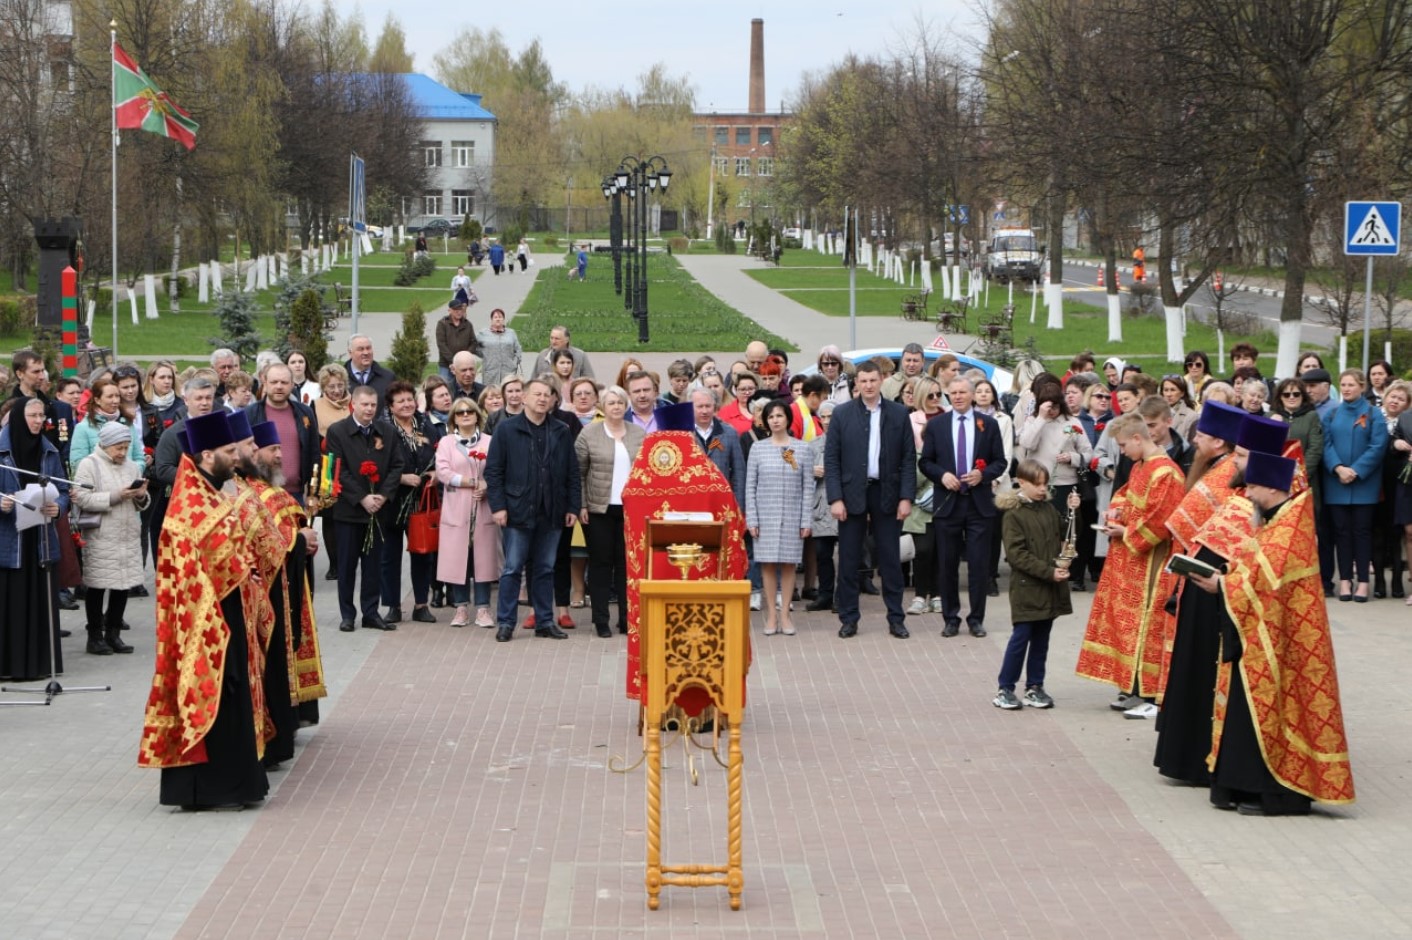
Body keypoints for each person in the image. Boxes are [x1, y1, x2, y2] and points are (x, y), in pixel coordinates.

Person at [1191, 451, 1354, 816]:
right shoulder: (1278, 519)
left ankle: (1275, 794)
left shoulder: (1288, 527)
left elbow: (1266, 584)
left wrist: (1222, 585)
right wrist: (1229, 575)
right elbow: (1253, 569)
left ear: (1271, 487)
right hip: (1260, 634)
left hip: (1280, 641)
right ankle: (1241, 786)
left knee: (1276, 712)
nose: (1245, 494)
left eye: (1250, 486)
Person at [139, 411, 269, 810]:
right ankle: (210, 789)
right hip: (205, 622)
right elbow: (201, 567)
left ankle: (232, 784)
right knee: (219, 695)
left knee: (232, 699)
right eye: (230, 451)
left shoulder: (212, 491)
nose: (236, 458)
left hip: (226, 613)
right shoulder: (191, 502)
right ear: (207, 454)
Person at [1155, 409, 1282, 787]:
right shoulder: (1243, 487)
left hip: (1229, 599)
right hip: (1210, 592)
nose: (1233, 464)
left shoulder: (1273, 495)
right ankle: (1191, 755)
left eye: (1241, 456)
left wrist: (1223, 583)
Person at [1075, 412, 1186, 718]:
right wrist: (1116, 516)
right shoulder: (1141, 466)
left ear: (1138, 438)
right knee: (1130, 626)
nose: (1121, 451)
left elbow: (1161, 522)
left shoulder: (1166, 473)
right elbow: (1123, 497)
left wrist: (1127, 532)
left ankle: (1151, 692)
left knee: (1148, 627)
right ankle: (1133, 686)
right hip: (1130, 560)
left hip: (1152, 564)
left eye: (1124, 445)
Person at [245, 421, 326, 765]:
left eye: (281, 449)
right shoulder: (250, 491)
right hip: (268, 587)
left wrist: (303, 536)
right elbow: (265, 542)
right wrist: (298, 541)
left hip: (291, 583)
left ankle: (293, 714)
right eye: (272, 450)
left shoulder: (272, 489)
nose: (279, 455)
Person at [485, 377, 582, 642]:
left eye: (547, 395)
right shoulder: (506, 430)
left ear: (552, 400)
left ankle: (544, 621)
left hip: (552, 512)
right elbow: (493, 472)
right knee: (513, 568)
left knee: (545, 569)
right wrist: (498, 506)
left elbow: (572, 472)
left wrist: (573, 505)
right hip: (517, 510)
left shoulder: (561, 430)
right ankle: (506, 622)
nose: (542, 399)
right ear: (524, 397)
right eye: (537, 394)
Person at [824, 360, 916, 639]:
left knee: (890, 559)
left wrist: (906, 497)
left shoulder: (899, 414)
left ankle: (896, 618)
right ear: (856, 384)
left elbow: (908, 459)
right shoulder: (842, 414)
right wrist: (835, 498)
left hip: (886, 492)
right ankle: (849, 618)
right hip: (851, 494)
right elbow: (832, 459)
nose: (868, 386)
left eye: (873, 380)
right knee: (850, 559)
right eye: (863, 381)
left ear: (881, 381)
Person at [921, 376, 1008, 637]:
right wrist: (941, 475)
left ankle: (976, 618)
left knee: (978, 564)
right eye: (953, 392)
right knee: (947, 563)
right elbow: (925, 462)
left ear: (972, 395)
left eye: (962, 392)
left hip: (978, 503)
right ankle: (951, 617)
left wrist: (984, 475)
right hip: (948, 503)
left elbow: (1000, 462)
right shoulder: (937, 425)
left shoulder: (988, 425)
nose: (957, 396)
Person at [992, 460, 1078, 710]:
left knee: (1042, 639)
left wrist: (1074, 511)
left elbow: (1068, 532)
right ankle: (1005, 687)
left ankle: (1035, 686)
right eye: (1037, 484)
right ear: (1022, 482)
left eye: (1044, 484)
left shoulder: (1047, 508)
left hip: (1049, 585)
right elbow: (1017, 555)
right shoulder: (1014, 513)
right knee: (1021, 637)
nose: (1042, 489)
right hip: (1028, 586)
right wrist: (1049, 572)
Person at [324, 385, 405, 632]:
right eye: (365, 405)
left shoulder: (388, 432)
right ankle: (348, 614)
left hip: (378, 511)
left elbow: (396, 465)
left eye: (373, 405)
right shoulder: (338, 431)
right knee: (347, 565)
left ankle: (371, 612)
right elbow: (338, 469)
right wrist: (361, 497)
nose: (369, 409)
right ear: (354, 405)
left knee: (373, 565)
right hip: (349, 511)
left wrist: (382, 495)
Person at [0, 397, 69, 681]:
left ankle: (38, 663)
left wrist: (58, 507)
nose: (39, 420)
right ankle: (8, 664)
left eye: (42, 415)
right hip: (8, 540)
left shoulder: (49, 450)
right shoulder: (2, 450)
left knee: (38, 599)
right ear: (18, 417)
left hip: (39, 538)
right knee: (10, 603)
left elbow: (64, 490)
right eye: (33, 415)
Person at [72, 420, 149, 655]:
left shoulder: (131, 467)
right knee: (97, 586)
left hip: (127, 533)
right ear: (105, 445)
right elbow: (81, 498)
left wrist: (141, 496)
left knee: (123, 586)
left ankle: (114, 633)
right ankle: (94, 636)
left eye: (126, 447)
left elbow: (141, 505)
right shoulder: (89, 465)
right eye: (118, 447)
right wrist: (116, 496)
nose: (123, 452)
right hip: (101, 535)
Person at [575, 385, 645, 637]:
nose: (616, 406)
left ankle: (627, 619)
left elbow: (647, 474)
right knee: (601, 564)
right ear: (602, 407)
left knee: (627, 565)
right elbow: (579, 473)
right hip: (598, 509)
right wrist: (582, 504)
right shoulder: (588, 434)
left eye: (620, 402)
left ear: (626, 405)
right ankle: (601, 620)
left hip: (631, 510)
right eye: (611, 402)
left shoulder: (639, 434)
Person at [745, 399, 815, 636]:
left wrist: (806, 520)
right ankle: (771, 616)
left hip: (793, 514)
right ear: (766, 421)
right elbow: (750, 486)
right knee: (767, 564)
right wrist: (752, 519)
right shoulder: (758, 448)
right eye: (771, 416)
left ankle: (785, 614)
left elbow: (808, 487)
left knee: (788, 564)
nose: (775, 420)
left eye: (779, 416)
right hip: (766, 514)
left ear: (787, 418)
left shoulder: (802, 448)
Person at [1321, 368, 1388, 602]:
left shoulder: (1374, 413)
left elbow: (1378, 446)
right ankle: (1345, 581)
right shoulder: (1332, 414)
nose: (1347, 388)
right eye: (1344, 384)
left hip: (1364, 484)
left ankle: (1362, 582)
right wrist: (1338, 468)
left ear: (1361, 386)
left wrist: (1356, 470)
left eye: (1351, 384)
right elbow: (1326, 444)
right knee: (1341, 533)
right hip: (1336, 483)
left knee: (1361, 532)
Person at [436, 398, 502, 628]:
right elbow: (443, 472)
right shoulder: (446, 442)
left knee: (482, 558)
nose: (465, 415)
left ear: (477, 415)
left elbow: (497, 469)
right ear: (454, 417)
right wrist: (471, 481)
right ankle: (461, 607)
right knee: (458, 558)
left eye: (470, 411)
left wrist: (486, 486)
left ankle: (483, 608)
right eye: (460, 412)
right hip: (457, 507)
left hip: (483, 507)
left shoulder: (490, 441)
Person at [380, 381, 442, 625]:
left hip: (420, 501)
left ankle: (421, 604)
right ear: (391, 406)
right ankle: (393, 605)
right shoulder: (383, 429)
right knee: (390, 555)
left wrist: (436, 472)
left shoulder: (426, 425)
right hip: (393, 500)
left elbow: (439, 454)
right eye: (400, 401)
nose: (407, 404)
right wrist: (401, 478)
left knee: (422, 552)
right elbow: (377, 466)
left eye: (409, 399)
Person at [245, 364, 320, 501]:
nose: (279, 386)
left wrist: (313, 493)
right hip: (261, 495)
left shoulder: (305, 413)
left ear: (292, 385)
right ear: (265, 384)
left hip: (297, 495)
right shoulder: (250, 414)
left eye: (284, 382)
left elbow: (314, 452)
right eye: (274, 382)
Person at [435, 291, 480, 384]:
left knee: (464, 389)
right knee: (445, 389)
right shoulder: (442, 324)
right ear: (450, 311)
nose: (459, 312)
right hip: (446, 365)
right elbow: (441, 344)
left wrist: (465, 356)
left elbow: (473, 342)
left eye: (460, 309)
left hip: (464, 366)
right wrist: (453, 362)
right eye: (456, 310)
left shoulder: (468, 324)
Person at [476, 308, 522, 388]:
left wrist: (514, 363)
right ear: (491, 320)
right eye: (495, 317)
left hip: (508, 371)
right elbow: (474, 347)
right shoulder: (483, 334)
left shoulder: (511, 333)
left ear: (503, 320)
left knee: (508, 392)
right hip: (490, 371)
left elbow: (518, 349)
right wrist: (484, 355)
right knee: (491, 394)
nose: (498, 319)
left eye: (500, 317)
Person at [344, 334, 395, 399]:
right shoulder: (340, 378)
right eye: (361, 349)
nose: (366, 353)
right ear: (350, 353)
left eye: (368, 348)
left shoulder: (388, 377)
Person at [1160, 375, 1198, 441]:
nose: (1169, 394)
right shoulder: (1155, 413)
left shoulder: (1192, 416)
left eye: (1173, 390)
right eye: (1166, 390)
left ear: (1182, 393)